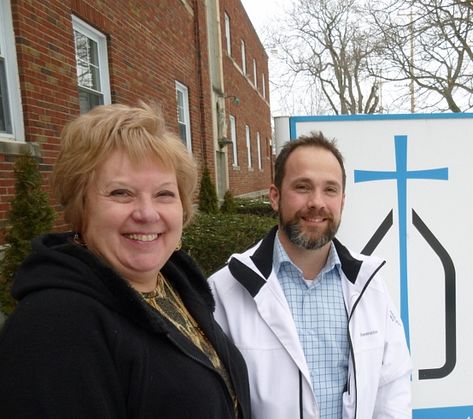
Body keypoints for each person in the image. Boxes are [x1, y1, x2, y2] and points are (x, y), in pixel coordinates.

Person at [0, 103, 251, 418]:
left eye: (164, 194)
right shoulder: (54, 325)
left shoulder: (173, 285)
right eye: (121, 193)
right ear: (81, 205)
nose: (147, 213)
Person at [208, 132, 412, 419]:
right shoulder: (225, 291)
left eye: (330, 190)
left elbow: (392, 388)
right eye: (302, 187)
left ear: (342, 200)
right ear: (275, 197)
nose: (317, 202)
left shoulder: (369, 286)